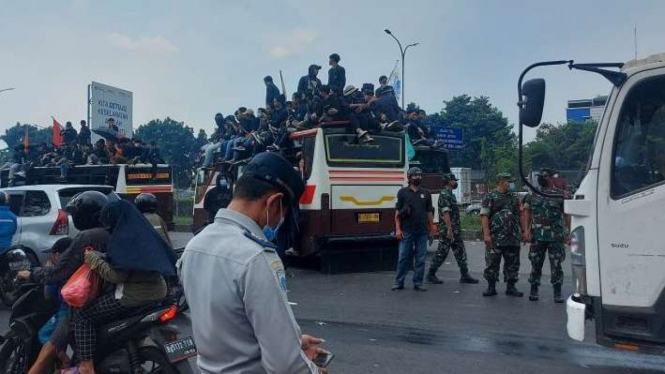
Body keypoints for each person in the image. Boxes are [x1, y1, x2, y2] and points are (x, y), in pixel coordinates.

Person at [179, 152, 328, 373]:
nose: (279, 223)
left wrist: (293, 341)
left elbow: (231, 327)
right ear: (274, 202)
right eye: (284, 216)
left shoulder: (194, 246)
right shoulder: (255, 257)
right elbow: (285, 365)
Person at [71, 200, 171, 374]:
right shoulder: (143, 231)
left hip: (134, 295)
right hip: (159, 292)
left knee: (82, 317)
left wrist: (93, 259)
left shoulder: (123, 238)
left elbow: (117, 276)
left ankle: (86, 366)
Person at [27, 237, 74, 374]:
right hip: (69, 308)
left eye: (53, 254)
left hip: (67, 310)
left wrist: (48, 271)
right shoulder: (74, 265)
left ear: (58, 255)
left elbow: (48, 294)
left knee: (45, 335)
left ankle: (64, 359)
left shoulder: (59, 271)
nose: (51, 257)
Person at [522, 168, 569, 303]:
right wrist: (526, 231)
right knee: (535, 263)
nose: (541, 178)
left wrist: (569, 232)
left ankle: (557, 291)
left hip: (555, 236)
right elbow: (526, 212)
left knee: (556, 265)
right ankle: (534, 289)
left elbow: (566, 215)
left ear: (550, 178)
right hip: (537, 236)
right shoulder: (533, 194)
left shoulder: (560, 195)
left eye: (544, 176)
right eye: (540, 176)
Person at [427, 173, 479, 285]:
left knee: (460, 252)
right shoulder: (445, 194)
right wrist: (449, 229)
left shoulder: (451, 195)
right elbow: (446, 213)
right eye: (454, 180)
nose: (455, 182)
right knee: (442, 252)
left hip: (455, 230)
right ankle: (431, 274)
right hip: (447, 230)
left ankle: (465, 275)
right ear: (448, 181)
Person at [480, 173, 523, 297]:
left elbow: (518, 215)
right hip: (495, 237)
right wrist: (486, 235)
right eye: (509, 181)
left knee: (513, 263)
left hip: (512, 236)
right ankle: (491, 287)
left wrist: (523, 231)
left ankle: (511, 286)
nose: (511, 184)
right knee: (492, 262)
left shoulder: (513, 197)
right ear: (501, 182)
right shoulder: (490, 196)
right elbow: (484, 216)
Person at [392, 167, 435, 292]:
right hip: (407, 230)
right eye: (415, 176)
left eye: (419, 175)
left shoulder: (426, 193)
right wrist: (398, 230)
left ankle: (418, 282)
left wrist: (432, 228)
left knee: (421, 258)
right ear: (409, 178)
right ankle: (399, 282)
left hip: (422, 231)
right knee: (403, 257)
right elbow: (397, 213)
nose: (418, 178)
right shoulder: (402, 193)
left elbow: (429, 212)